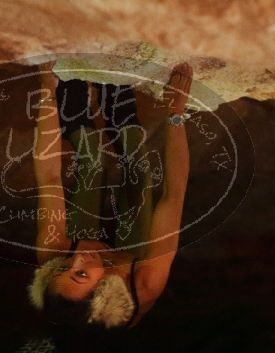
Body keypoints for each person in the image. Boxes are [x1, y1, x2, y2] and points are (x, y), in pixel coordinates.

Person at [27, 60, 193, 329]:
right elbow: (174, 195)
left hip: (85, 245)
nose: (76, 260)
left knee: (92, 159)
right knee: (139, 173)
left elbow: (49, 178)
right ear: (104, 288)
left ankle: (73, 75)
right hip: (127, 263)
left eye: (63, 269)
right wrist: (176, 113)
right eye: (81, 274)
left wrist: (48, 85)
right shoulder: (144, 283)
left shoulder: (54, 252)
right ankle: (117, 86)